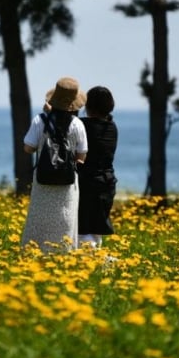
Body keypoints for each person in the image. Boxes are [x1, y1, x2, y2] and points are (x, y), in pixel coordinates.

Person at [21, 77, 88, 252]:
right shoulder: (78, 124)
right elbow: (81, 156)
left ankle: (34, 252)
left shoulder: (40, 120)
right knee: (65, 218)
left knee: (39, 218)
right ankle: (63, 253)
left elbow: (28, 148)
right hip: (67, 183)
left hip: (43, 179)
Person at [77, 86, 118, 248]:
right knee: (96, 230)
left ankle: (87, 264)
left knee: (82, 230)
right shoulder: (112, 127)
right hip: (107, 183)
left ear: (89, 105)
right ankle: (96, 265)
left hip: (87, 183)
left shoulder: (83, 125)